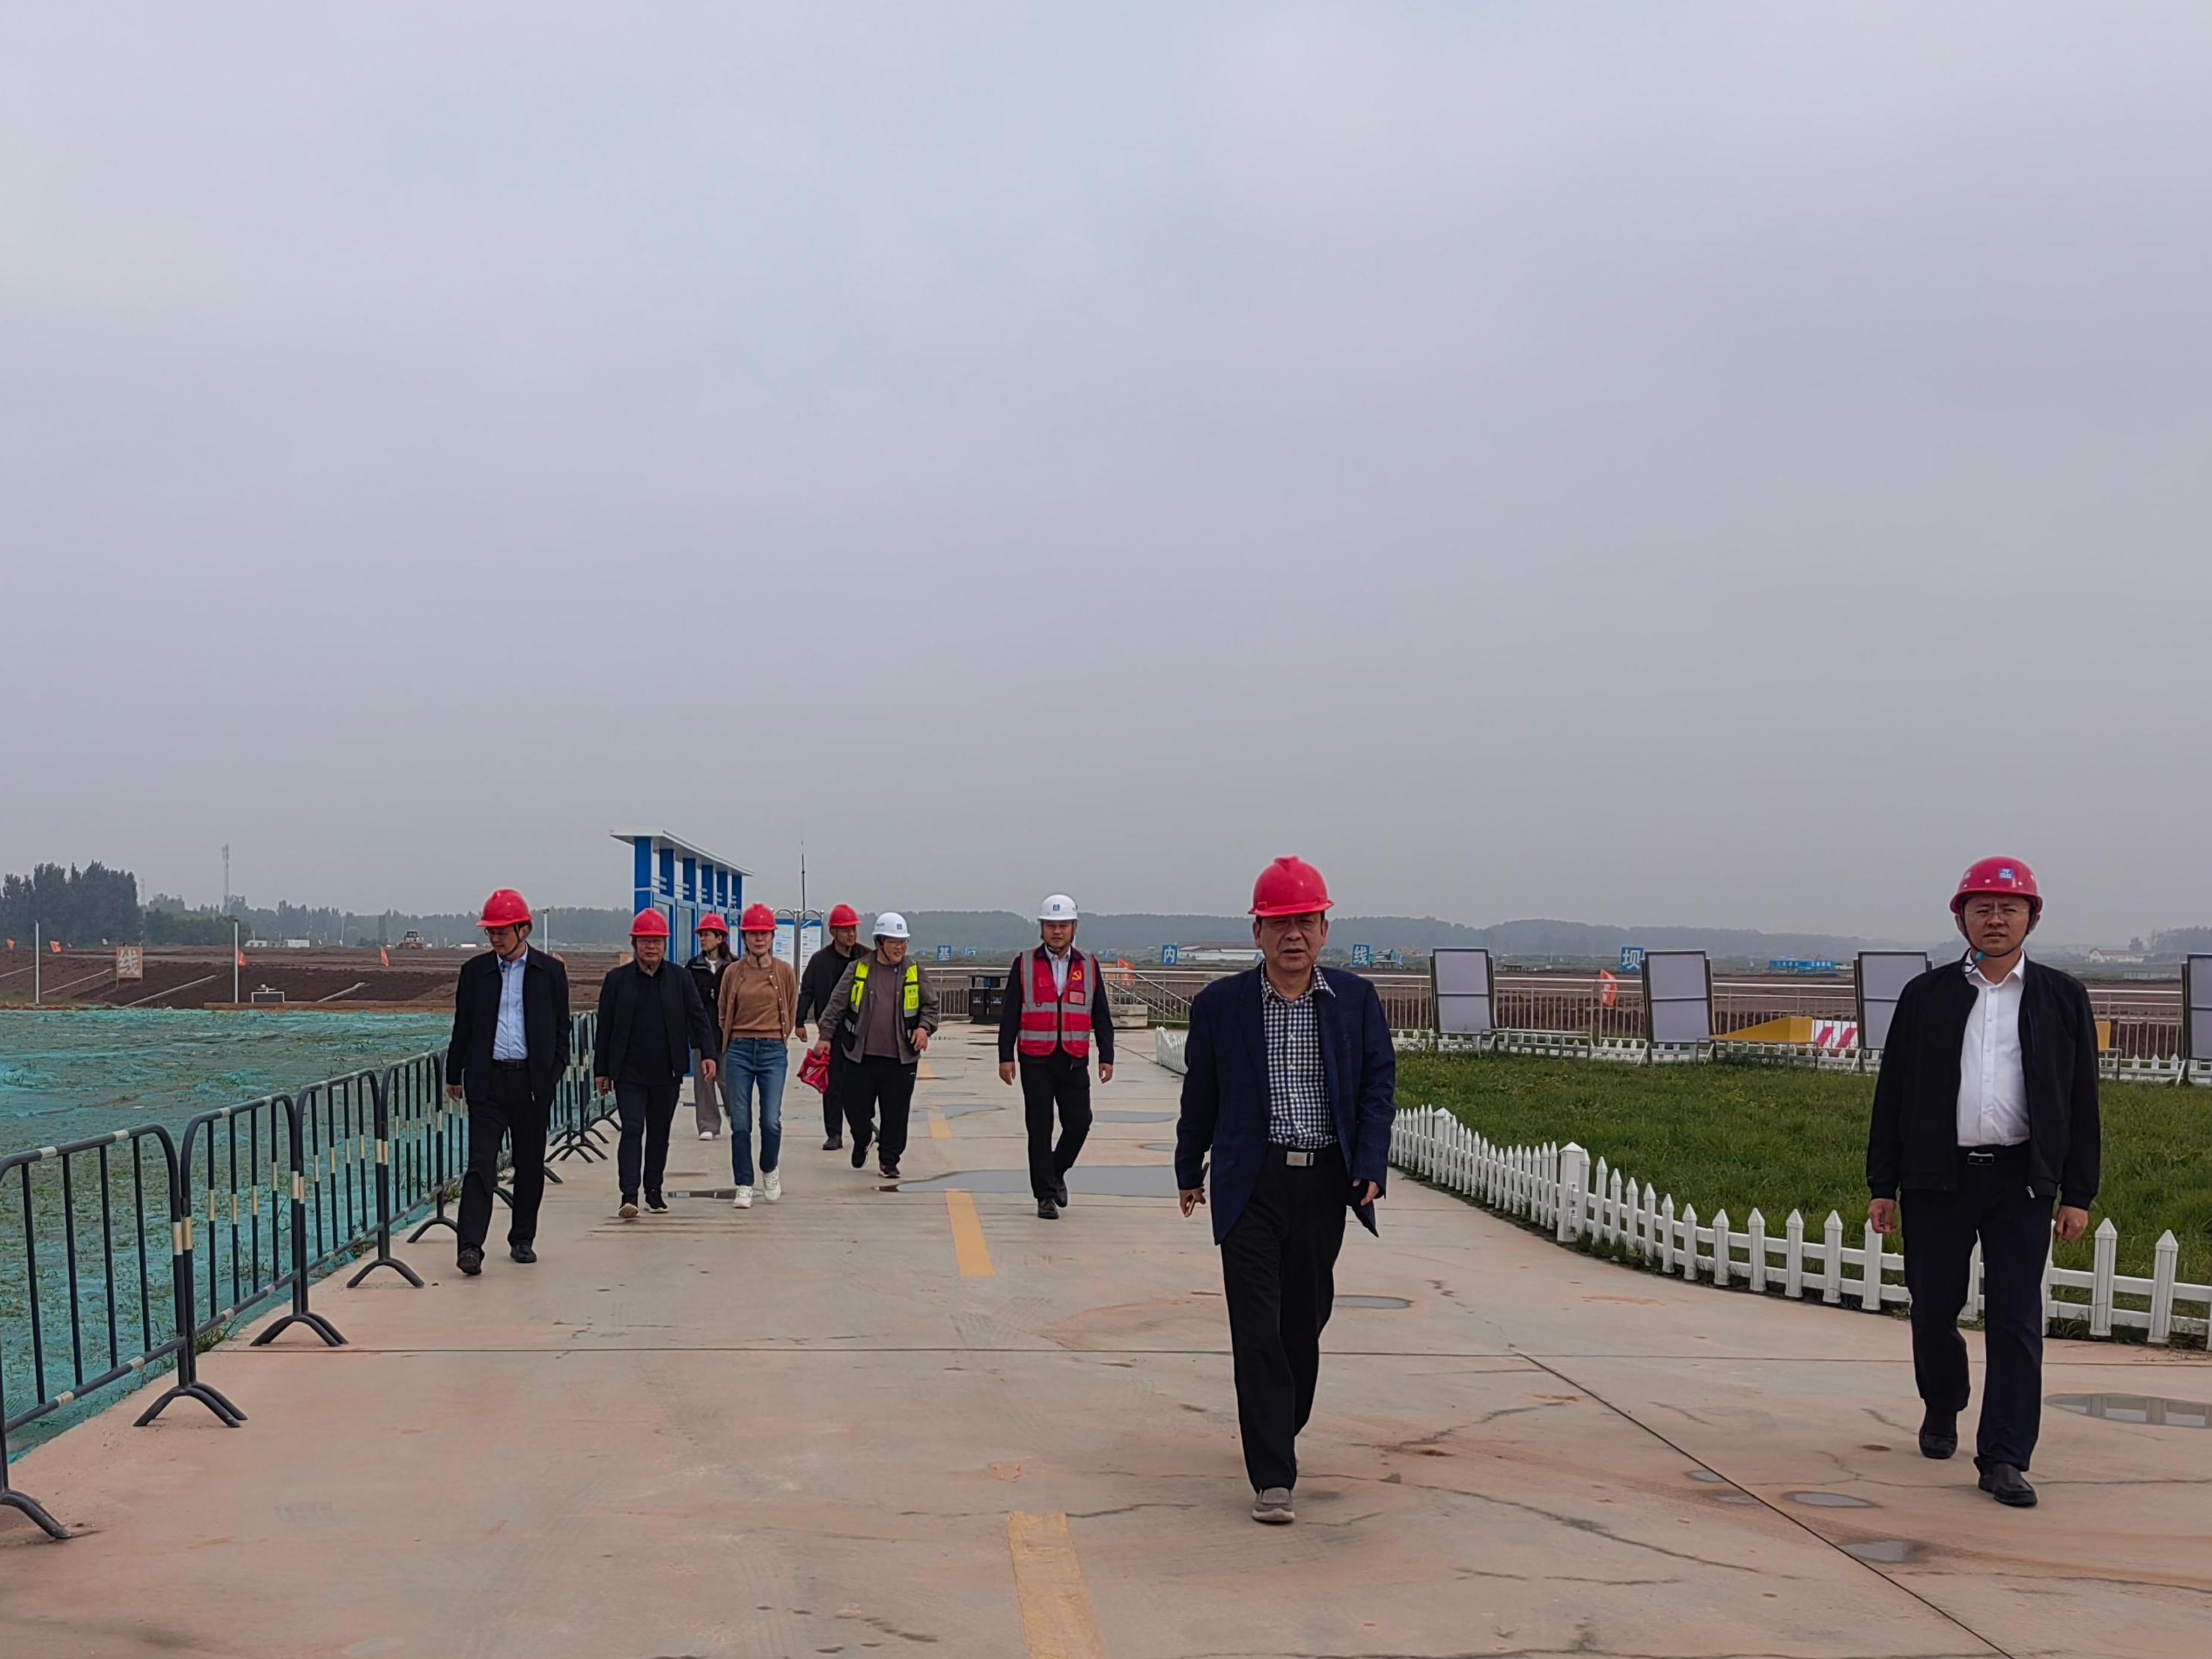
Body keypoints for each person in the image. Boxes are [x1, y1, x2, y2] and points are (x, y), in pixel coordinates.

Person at [1867, 857, 2100, 1510]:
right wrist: (1882, 1182)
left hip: (2021, 1181)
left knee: (2015, 1319)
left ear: (2031, 918)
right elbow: (1893, 1093)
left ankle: (2003, 1456)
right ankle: (1942, 1402)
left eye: (2008, 908)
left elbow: (2081, 1099)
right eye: (1982, 909)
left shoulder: (2060, 997)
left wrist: (2077, 1193)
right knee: (1932, 1308)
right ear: (1961, 918)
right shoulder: (1926, 996)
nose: (1995, 920)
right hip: (1935, 1180)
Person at [1174, 856, 1395, 1526]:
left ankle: (1279, 1420)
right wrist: (1188, 1168)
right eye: (1277, 923)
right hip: (1251, 1181)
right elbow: (1200, 1094)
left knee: (1303, 1321)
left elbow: (1377, 1087)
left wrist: (1371, 1162)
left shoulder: (1355, 1001)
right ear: (1257, 933)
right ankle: (1272, 1474)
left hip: (1325, 1181)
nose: (1292, 935)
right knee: (1255, 1326)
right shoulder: (1221, 1006)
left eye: (1304, 921)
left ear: (1324, 929)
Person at [445, 889, 572, 1276]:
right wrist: (454, 1073)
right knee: (480, 1164)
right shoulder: (475, 973)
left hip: (532, 1084)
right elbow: (463, 1026)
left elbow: (562, 1028)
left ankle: (522, 1238)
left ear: (524, 930)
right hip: (488, 1082)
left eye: (502, 931)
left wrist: (552, 1072)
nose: (496, 939)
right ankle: (470, 1247)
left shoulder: (550, 973)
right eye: (491, 932)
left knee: (529, 1165)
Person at [594, 910, 719, 1219]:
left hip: (667, 1070)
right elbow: (605, 1028)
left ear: (665, 944)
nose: (651, 947)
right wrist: (602, 1070)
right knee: (632, 1130)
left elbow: (699, 1018)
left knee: (659, 1134)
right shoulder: (617, 980)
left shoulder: (680, 979)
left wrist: (708, 1053)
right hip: (629, 1073)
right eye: (645, 941)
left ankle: (654, 1191)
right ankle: (629, 1195)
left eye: (657, 941)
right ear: (634, 944)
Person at [998, 893, 1115, 1220]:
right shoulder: (1024, 964)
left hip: (1073, 1058)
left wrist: (1107, 1055)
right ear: (1041, 928)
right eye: (1051, 925)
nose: (1057, 931)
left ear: (1074, 928)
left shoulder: (1088, 965)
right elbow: (1009, 1013)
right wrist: (1005, 1055)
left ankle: (1055, 1170)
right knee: (1040, 1128)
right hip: (1035, 1059)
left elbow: (1100, 1013)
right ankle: (1045, 1196)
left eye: (1063, 925)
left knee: (1079, 1123)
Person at [815, 912, 939, 1181]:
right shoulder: (859, 969)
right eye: (894, 942)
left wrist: (924, 1028)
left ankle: (889, 1160)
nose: (899, 947)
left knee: (896, 1114)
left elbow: (931, 1006)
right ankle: (863, 1137)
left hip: (901, 1058)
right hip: (860, 1056)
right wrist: (825, 1036)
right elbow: (836, 1005)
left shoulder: (914, 971)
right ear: (880, 942)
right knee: (855, 1108)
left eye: (903, 942)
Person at [719, 903, 799, 1209]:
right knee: (740, 1122)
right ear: (744, 937)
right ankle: (744, 1183)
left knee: (770, 1121)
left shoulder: (784, 972)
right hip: (739, 1049)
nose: (759, 939)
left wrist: (778, 1036)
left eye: (764, 933)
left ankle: (770, 1169)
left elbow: (791, 1007)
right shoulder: (732, 973)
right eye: (753, 934)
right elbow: (723, 1011)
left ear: (772, 936)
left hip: (772, 1050)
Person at [796, 903, 868, 1151]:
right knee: (833, 1085)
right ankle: (834, 1133)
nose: (851, 934)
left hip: (860, 1033)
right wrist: (799, 1021)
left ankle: (863, 1130)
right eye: (846, 929)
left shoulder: (866, 958)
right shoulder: (820, 961)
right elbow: (807, 991)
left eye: (853, 929)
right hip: (831, 1034)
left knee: (860, 1086)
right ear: (833, 932)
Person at [687, 915, 734, 1140]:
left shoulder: (734, 967)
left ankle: (735, 1115)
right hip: (701, 1033)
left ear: (720, 938)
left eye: (706, 935)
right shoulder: (693, 967)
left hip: (727, 1034)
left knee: (729, 1080)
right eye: (701, 935)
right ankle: (707, 1124)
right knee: (704, 1082)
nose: (702, 939)